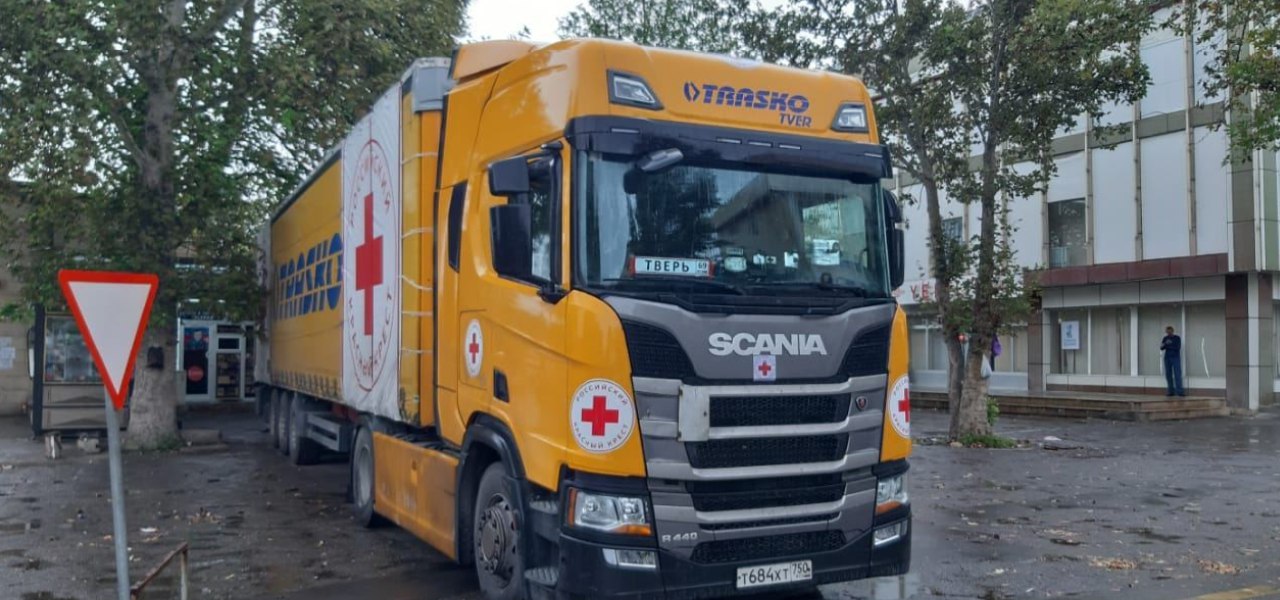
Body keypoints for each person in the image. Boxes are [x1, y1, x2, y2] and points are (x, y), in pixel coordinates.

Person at [1160, 325, 1184, 397]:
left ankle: (1179, 391)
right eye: (1167, 332)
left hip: (1175, 358)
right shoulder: (1165, 338)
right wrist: (1166, 344)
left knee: (1177, 374)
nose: (1168, 333)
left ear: (1172, 331)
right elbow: (1161, 348)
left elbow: (1177, 347)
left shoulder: (1177, 338)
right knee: (1168, 375)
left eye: (1169, 332)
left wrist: (1169, 345)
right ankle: (1170, 391)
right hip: (1167, 358)